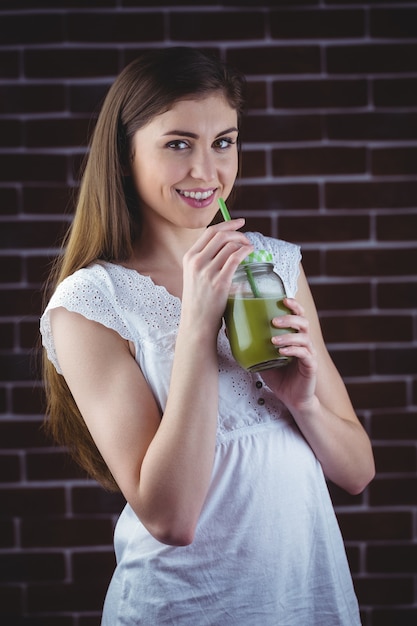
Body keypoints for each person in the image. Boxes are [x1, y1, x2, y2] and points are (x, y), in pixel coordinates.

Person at [40, 46, 375, 625]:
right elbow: (171, 519)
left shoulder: (272, 265)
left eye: (224, 141)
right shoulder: (93, 304)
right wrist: (196, 330)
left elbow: (357, 472)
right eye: (178, 144)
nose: (206, 171)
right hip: (184, 608)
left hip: (306, 598)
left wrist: (304, 404)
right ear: (124, 156)